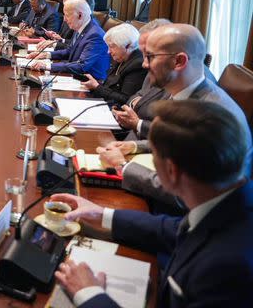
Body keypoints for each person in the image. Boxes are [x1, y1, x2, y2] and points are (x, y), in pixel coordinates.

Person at [53, 100, 253, 308]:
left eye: (152, 158)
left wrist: (89, 294)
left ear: (171, 172)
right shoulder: (229, 200)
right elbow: (176, 230)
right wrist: (101, 214)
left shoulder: (228, 267)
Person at [98, 23, 251, 208]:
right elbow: (179, 142)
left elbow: (181, 195)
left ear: (179, 61)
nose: (144, 65)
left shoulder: (209, 114)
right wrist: (132, 146)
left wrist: (124, 166)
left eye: (150, 57)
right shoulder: (182, 90)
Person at [26, 0, 110, 79]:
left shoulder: (95, 35)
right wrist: (46, 55)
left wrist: (47, 65)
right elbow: (70, 51)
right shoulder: (81, 26)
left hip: (89, 82)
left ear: (80, 15)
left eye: (67, 15)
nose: (65, 20)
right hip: (75, 76)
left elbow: (81, 66)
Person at [81, 23, 146, 106]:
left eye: (112, 46)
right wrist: (93, 86)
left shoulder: (137, 64)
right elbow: (109, 86)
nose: (108, 51)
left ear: (128, 46)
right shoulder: (122, 57)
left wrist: (97, 87)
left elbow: (126, 99)